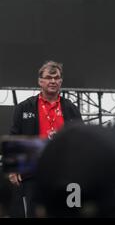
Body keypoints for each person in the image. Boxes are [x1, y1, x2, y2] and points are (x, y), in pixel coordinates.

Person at [8, 60, 82, 216]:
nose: (53, 81)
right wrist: (13, 168)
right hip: (34, 173)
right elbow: (15, 136)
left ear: (61, 81)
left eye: (57, 78)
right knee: (35, 213)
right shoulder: (24, 107)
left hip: (66, 173)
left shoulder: (71, 109)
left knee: (69, 213)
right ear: (40, 81)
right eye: (49, 77)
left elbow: (81, 139)